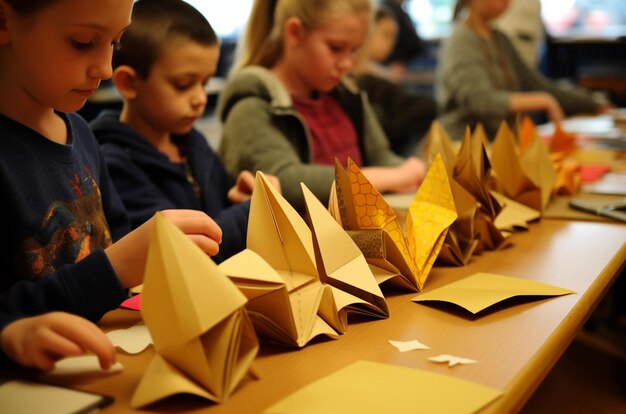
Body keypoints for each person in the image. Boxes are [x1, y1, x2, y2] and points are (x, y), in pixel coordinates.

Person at [0, 0, 221, 369]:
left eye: (116, 43)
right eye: (83, 42)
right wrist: (10, 335)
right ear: (4, 20)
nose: (105, 68)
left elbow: (119, 245)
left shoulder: (82, 135)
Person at [91, 0, 273, 263]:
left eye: (205, 83)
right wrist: (256, 209)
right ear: (129, 83)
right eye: (183, 84)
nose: (200, 98)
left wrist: (243, 194)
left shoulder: (193, 143)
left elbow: (222, 212)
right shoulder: (114, 163)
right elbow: (186, 252)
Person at [219, 0, 425, 212]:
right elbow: (285, 181)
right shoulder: (250, 107)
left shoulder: (346, 95)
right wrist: (396, 176)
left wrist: (409, 173)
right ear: (294, 33)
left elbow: (381, 157)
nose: (347, 63)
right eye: (336, 48)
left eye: (354, 50)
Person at [436, 0, 610, 141]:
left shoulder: (499, 39)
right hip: (464, 152)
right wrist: (544, 100)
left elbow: (537, 84)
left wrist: (593, 102)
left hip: (500, 147)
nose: (506, 3)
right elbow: (482, 101)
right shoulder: (460, 39)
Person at [352, 4, 436, 157]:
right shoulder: (367, 82)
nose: (392, 43)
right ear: (368, 33)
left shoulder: (379, 74)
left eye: (394, 37)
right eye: (386, 35)